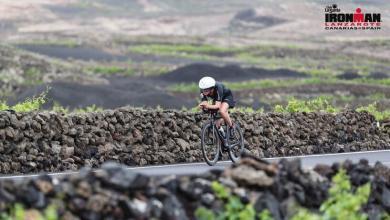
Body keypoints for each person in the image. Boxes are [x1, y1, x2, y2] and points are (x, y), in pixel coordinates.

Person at [198, 76, 236, 144]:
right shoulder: (202, 90)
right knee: (217, 123)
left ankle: (231, 127)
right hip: (216, 99)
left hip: (226, 97)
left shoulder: (218, 87)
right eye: (203, 90)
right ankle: (224, 140)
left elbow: (217, 106)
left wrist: (207, 106)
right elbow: (204, 102)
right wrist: (202, 105)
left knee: (222, 111)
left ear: (212, 88)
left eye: (206, 90)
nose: (204, 92)